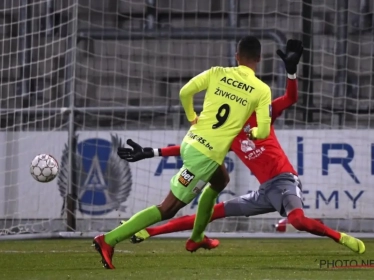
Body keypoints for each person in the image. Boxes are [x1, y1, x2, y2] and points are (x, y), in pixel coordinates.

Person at [118, 40, 366, 255]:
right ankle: (151, 232)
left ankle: (341, 237)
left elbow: (291, 99)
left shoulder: (264, 113)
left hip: (284, 181)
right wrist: (152, 152)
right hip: (262, 193)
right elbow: (195, 148)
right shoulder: (229, 132)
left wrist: (291, 72)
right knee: (210, 212)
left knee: (298, 221)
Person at [93, 35, 273, 269]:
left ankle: (197, 238)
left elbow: (184, 92)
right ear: (259, 58)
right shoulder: (262, 90)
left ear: (236, 56)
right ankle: (108, 240)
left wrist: (191, 117)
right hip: (204, 158)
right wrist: (252, 133)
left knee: (221, 180)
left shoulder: (217, 72)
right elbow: (264, 132)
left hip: (190, 143)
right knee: (167, 208)